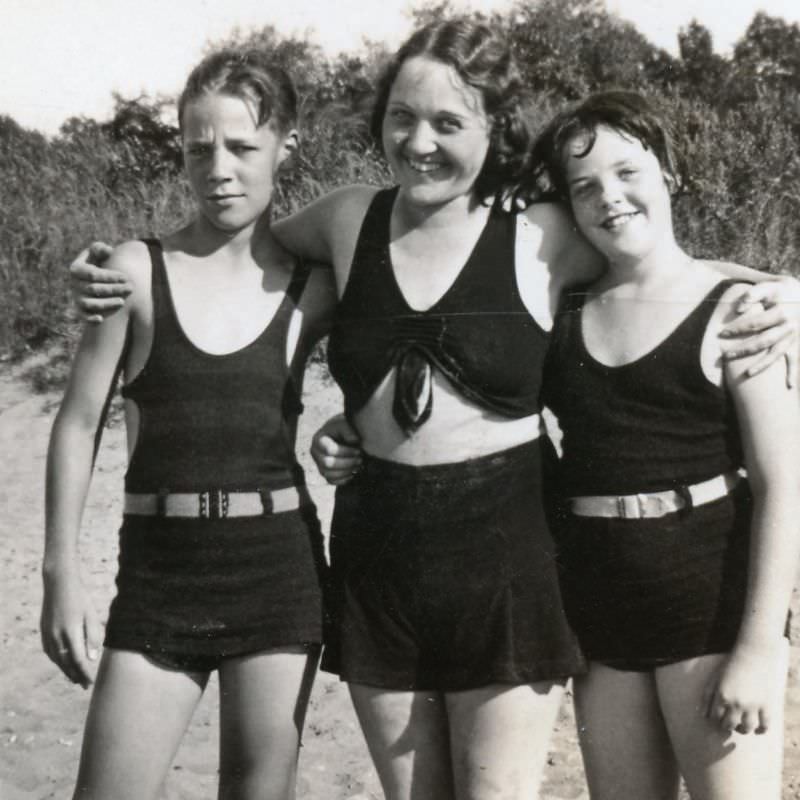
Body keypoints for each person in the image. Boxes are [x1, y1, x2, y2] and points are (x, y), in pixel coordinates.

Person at [68, 20, 800, 800]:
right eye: (401, 119)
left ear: (494, 127)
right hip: (378, 560)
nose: (420, 142)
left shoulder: (541, 235)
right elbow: (225, 257)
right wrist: (111, 265)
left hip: (507, 565)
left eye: (449, 123)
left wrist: (785, 288)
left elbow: (657, 264)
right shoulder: (347, 219)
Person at [41, 49, 336, 800]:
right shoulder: (134, 272)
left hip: (279, 574)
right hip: (159, 578)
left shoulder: (315, 285)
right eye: (198, 148)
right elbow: (78, 426)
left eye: (243, 147)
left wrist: (354, 434)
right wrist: (59, 573)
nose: (219, 169)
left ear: (285, 148)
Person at [533, 90, 800, 799]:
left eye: (629, 173)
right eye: (584, 187)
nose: (609, 197)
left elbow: (783, 486)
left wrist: (757, 648)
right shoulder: (560, 318)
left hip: (710, 606)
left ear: (670, 173)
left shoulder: (743, 309)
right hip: (601, 611)